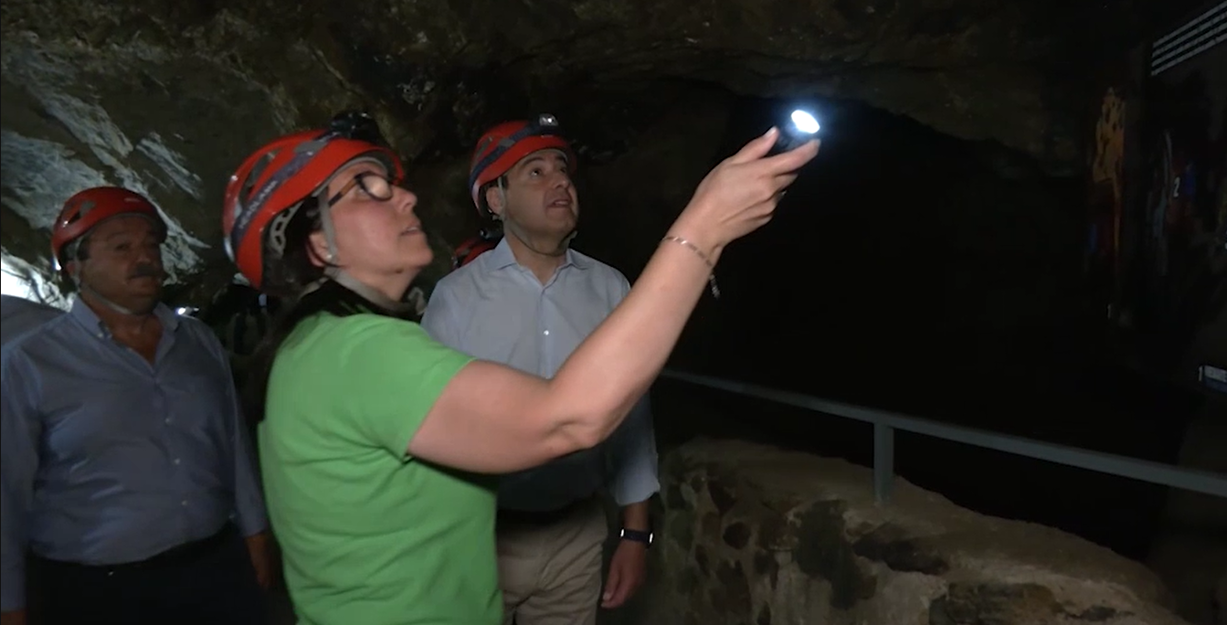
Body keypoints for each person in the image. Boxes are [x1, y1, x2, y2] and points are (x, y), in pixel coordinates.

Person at [225, 112, 818, 625]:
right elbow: (567, 420)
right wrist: (704, 229)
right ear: (320, 247)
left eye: (393, 184)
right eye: (366, 188)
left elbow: (625, 420)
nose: (404, 196)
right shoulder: (359, 352)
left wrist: (633, 531)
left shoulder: (322, 346)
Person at [422, 116, 658, 624]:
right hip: (481, 537)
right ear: (495, 200)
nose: (560, 182)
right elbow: (433, 425)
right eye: (535, 172)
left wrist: (635, 536)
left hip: (577, 534)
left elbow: (633, 421)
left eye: (563, 171)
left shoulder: (611, 288)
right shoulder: (458, 298)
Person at [0, 186, 272, 625]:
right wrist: (9, 602)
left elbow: (232, 440)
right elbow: (6, 496)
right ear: (75, 267)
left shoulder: (197, 341)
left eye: (150, 244)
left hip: (214, 570)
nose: (144, 257)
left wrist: (256, 532)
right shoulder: (30, 363)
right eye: (122, 247)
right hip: (95, 594)